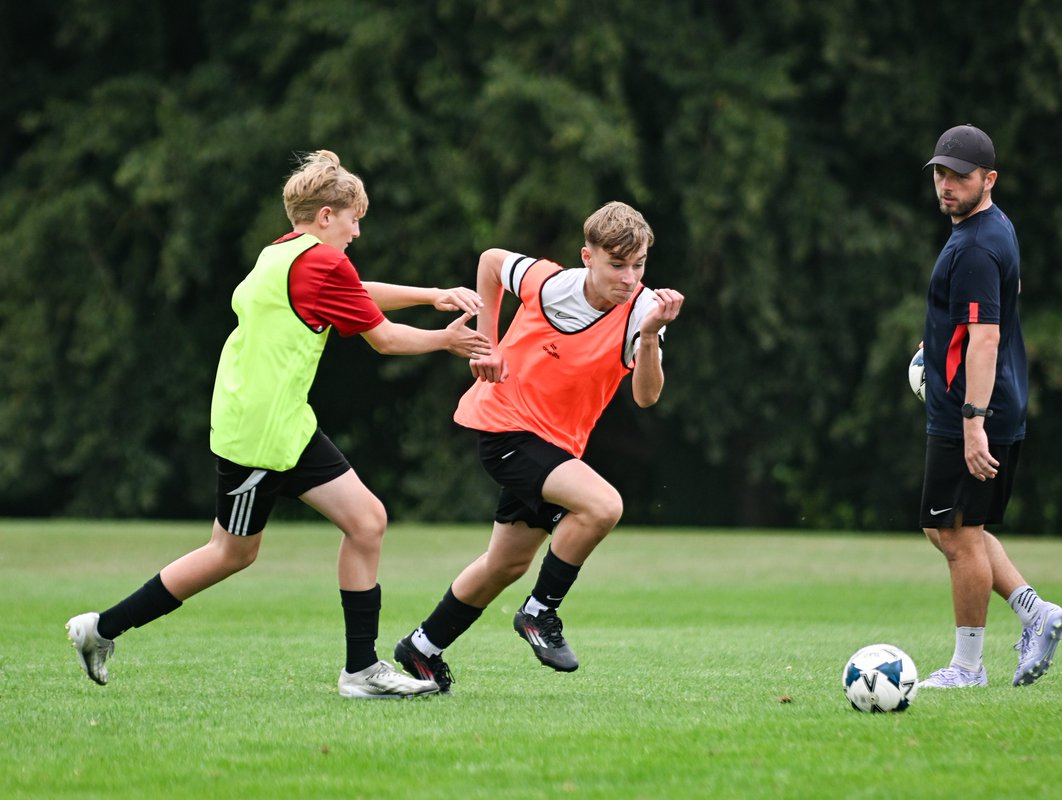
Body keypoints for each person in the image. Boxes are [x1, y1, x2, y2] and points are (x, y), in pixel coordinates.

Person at [67, 150, 492, 699]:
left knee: (366, 522)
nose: (357, 232)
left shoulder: (283, 251)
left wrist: (429, 295)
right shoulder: (322, 263)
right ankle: (101, 628)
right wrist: (445, 340)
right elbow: (384, 339)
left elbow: (355, 290)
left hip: (284, 423)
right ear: (325, 216)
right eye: (353, 220)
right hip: (260, 434)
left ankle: (362, 670)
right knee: (231, 553)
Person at [391, 201, 684, 692]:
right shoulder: (549, 283)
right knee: (603, 506)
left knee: (505, 563)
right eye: (617, 264)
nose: (629, 278)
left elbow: (647, 396)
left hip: (554, 445)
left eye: (638, 265)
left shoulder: (645, 309)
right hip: (503, 428)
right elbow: (490, 262)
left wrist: (651, 335)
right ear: (587, 257)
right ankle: (539, 611)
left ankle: (422, 647)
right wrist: (486, 345)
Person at [915, 125, 1062, 689]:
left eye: (960, 175)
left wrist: (973, 422)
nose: (947, 184)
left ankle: (967, 667)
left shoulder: (977, 245)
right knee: (949, 528)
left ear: (989, 179)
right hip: (982, 403)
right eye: (940, 172)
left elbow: (984, 338)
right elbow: (976, 321)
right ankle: (1034, 611)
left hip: (974, 411)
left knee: (956, 534)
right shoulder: (993, 227)